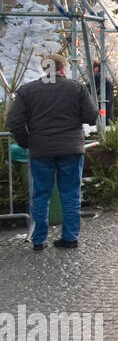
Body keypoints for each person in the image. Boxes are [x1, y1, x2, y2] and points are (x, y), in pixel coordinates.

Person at [7, 51, 97, 251]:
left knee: (40, 195)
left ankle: (39, 240)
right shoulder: (76, 88)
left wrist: (26, 142)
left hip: (40, 150)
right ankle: (70, 237)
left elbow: (13, 121)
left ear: (44, 68)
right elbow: (91, 116)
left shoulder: (27, 90)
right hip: (71, 148)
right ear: (63, 68)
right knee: (71, 194)